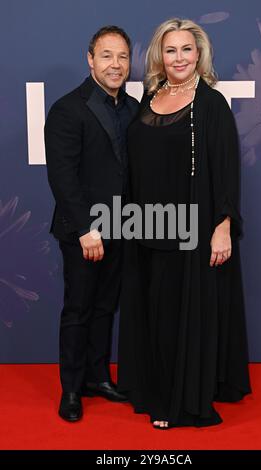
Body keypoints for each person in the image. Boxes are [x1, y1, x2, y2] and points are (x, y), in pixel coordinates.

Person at [117, 18, 251, 429]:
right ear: (160, 54)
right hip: (146, 227)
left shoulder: (211, 104)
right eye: (171, 49)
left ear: (199, 54)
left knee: (180, 313)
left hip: (191, 231)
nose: (179, 57)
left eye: (186, 50)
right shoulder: (150, 96)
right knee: (154, 312)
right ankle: (152, 387)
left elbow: (227, 171)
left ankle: (179, 404)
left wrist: (223, 226)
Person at [44, 25, 139, 422]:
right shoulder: (68, 108)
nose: (115, 65)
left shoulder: (133, 109)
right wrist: (86, 229)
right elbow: (62, 176)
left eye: (122, 57)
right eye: (106, 56)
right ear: (90, 59)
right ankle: (71, 389)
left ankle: (98, 377)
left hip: (123, 226)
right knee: (79, 308)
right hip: (84, 230)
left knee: (106, 307)